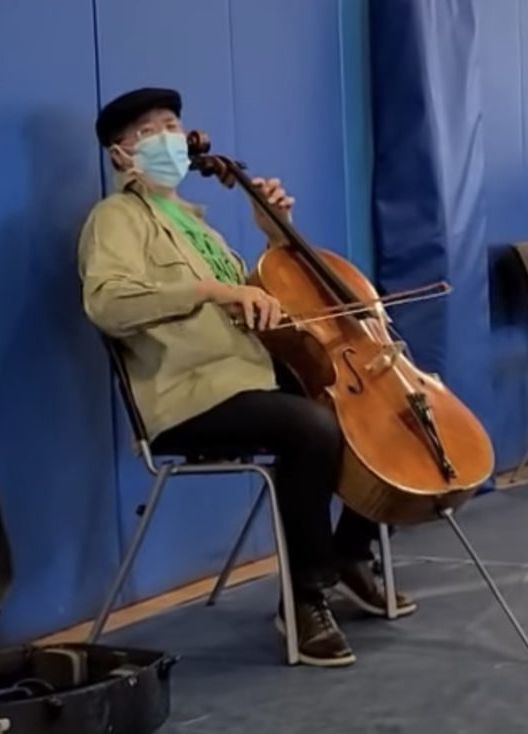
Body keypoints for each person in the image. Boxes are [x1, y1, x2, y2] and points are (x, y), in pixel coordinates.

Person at [77, 88, 416, 668]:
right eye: (150, 131)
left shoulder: (204, 233)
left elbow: (271, 295)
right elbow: (106, 304)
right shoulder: (116, 219)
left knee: (378, 414)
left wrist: (274, 230)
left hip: (251, 381)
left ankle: (350, 552)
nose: (170, 137)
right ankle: (304, 598)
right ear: (120, 155)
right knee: (307, 426)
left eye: (174, 124)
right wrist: (211, 291)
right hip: (188, 398)